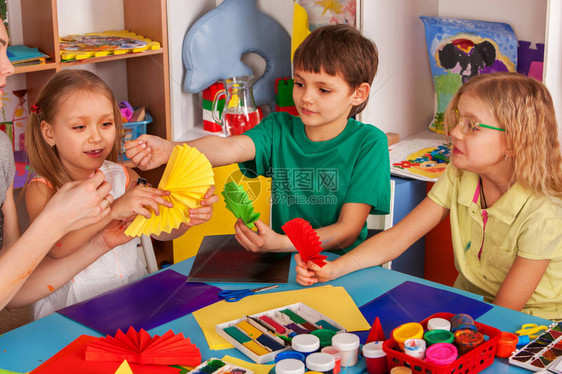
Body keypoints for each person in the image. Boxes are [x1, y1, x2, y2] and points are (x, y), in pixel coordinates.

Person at [296, 72, 562, 321]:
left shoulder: (545, 211)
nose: (455, 132)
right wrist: (333, 269)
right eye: (458, 120)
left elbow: (504, 312)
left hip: (531, 324)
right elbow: (397, 239)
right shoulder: (460, 174)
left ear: (515, 141)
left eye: (472, 126)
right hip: (472, 306)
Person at [125, 24, 391, 255]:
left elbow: (347, 230)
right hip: (285, 262)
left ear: (358, 94)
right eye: (299, 84)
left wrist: (280, 243)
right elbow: (229, 147)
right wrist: (171, 150)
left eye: (323, 89)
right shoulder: (278, 127)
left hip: (343, 265)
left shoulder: (369, 143)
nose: (306, 97)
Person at [23, 69, 217, 319]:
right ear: (49, 133)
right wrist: (112, 211)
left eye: (106, 124)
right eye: (80, 127)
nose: (96, 137)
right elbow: (57, 249)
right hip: (70, 311)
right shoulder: (42, 188)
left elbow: (160, 229)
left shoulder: (124, 176)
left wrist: (185, 219)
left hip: (129, 299)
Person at [0, 21, 120, 311]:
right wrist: (54, 221)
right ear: (49, 132)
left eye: (4, 47)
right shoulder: (40, 188)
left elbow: (13, 291)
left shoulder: (1, 148)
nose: (9, 67)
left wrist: (102, 242)